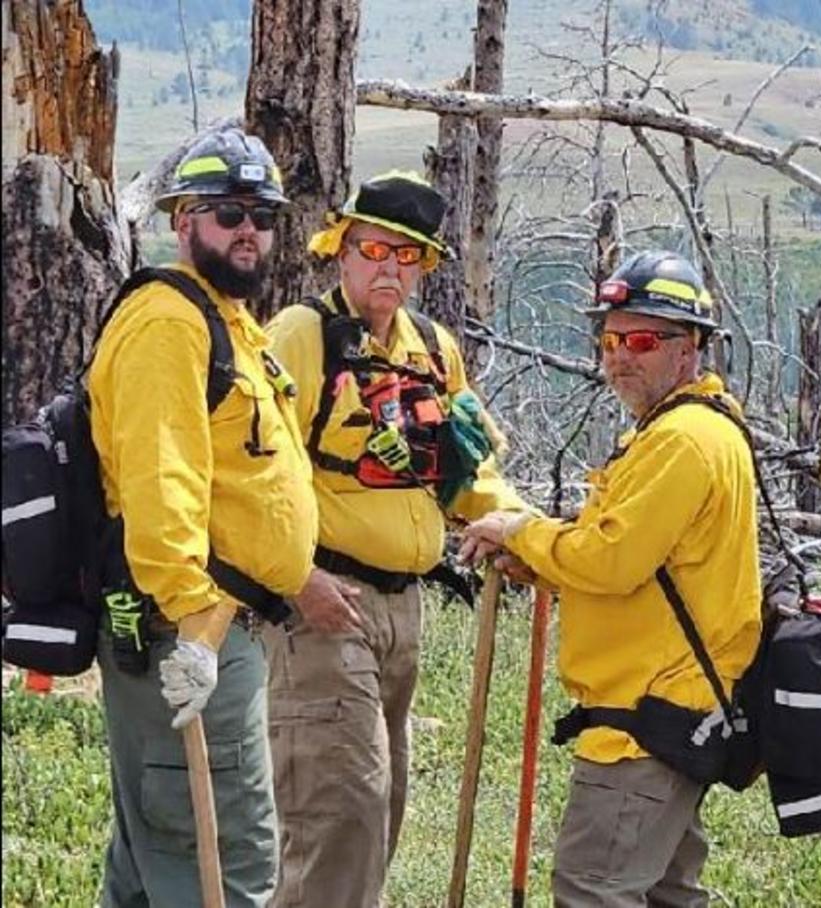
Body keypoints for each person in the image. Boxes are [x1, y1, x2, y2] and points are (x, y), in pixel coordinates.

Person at [461, 250, 762, 906]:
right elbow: (633, 563)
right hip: (672, 713)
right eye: (610, 339)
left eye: (643, 339)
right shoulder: (680, 431)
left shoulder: (682, 440)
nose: (621, 355)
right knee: (667, 895)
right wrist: (539, 562)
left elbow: (611, 560)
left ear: (690, 350)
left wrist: (518, 530)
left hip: (646, 720)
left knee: (592, 891)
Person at [263, 169, 528, 908]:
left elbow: (465, 477)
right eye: (374, 248)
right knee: (338, 813)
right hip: (322, 600)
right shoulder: (301, 335)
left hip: (403, 610)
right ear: (340, 250)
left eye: (406, 257)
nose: (388, 268)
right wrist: (293, 580)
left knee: (382, 808)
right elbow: (255, 470)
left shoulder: (434, 352)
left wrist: (518, 527)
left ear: (424, 268)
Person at [88, 128, 320, 906]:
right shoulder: (169, 323)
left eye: (261, 213)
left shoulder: (228, 322)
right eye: (225, 212)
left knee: (154, 862)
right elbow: (162, 484)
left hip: (222, 629)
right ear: (182, 221)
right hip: (189, 635)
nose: (247, 228)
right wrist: (193, 625)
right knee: (221, 861)